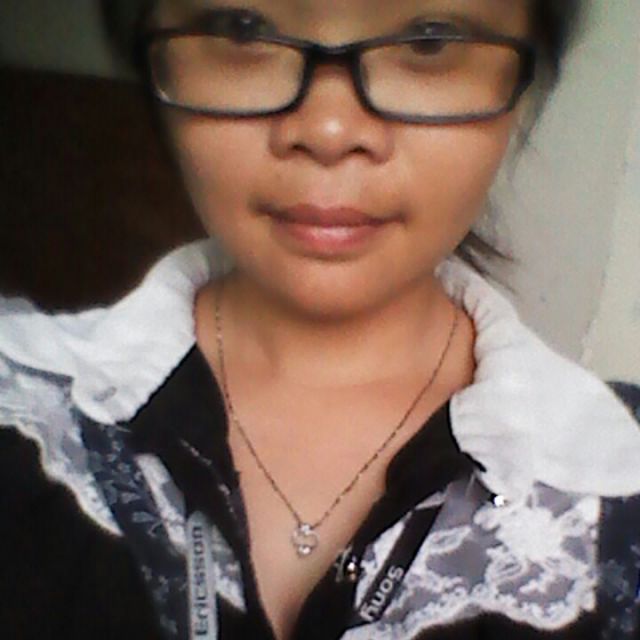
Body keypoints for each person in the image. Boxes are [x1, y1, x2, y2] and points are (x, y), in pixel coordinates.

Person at [1, 1, 639, 639]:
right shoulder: (22, 407)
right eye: (242, 29)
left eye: (429, 40)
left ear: (524, 82)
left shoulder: (615, 476)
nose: (329, 131)